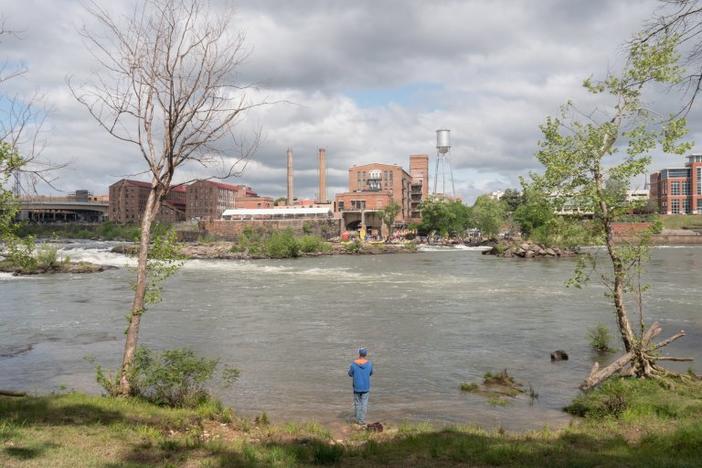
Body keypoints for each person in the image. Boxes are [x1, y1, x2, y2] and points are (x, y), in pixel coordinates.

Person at [348, 347, 373, 425]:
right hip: (365, 387)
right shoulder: (369, 364)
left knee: (357, 403)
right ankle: (361, 421)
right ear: (365, 354)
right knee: (364, 404)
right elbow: (371, 373)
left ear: (359, 354)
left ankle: (358, 420)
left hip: (357, 387)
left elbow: (350, 373)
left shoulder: (353, 364)